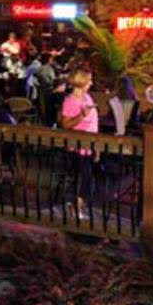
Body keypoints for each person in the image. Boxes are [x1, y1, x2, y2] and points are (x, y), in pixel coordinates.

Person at [60, 69, 98, 219]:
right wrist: (81, 116)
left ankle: (78, 206)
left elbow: (94, 123)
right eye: (89, 80)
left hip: (89, 145)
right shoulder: (70, 101)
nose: (91, 83)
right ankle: (76, 207)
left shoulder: (87, 97)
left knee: (87, 178)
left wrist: (97, 146)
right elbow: (65, 124)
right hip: (77, 147)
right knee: (82, 178)